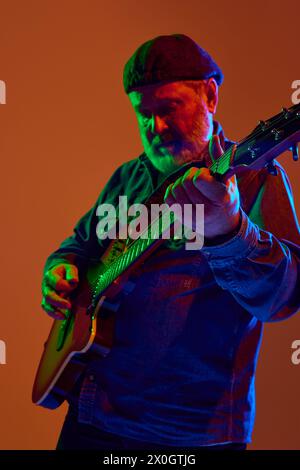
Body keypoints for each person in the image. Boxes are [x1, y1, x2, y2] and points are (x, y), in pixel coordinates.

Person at [41, 34, 300, 450]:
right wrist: (59, 271)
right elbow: (78, 247)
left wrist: (229, 230)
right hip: (90, 417)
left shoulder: (252, 179)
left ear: (210, 96)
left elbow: (283, 298)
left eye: (168, 108)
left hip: (190, 434)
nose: (155, 127)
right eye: (143, 114)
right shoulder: (127, 177)